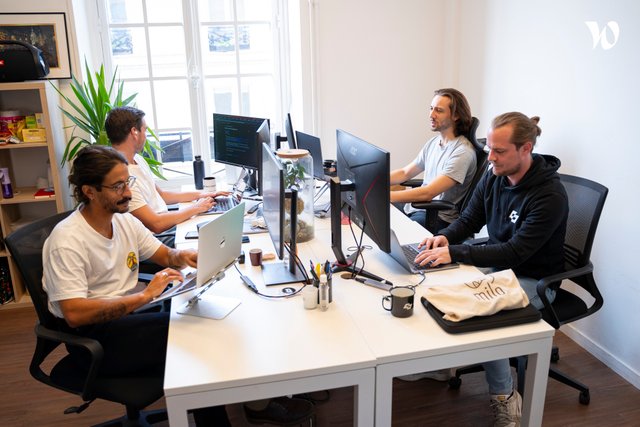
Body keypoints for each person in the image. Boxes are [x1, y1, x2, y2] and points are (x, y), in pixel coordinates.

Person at [42, 145, 312, 426]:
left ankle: (255, 401)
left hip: (126, 317)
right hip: (95, 340)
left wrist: (183, 256)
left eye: (128, 182)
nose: (128, 193)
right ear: (90, 191)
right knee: (196, 338)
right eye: (118, 186)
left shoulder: (122, 221)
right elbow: (75, 314)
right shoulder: (68, 241)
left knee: (204, 325)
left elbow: (163, 255)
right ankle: (248, 409)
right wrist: (145, 296)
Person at [414, 112, 568, 427]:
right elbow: (470, 218)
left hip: (534, 278)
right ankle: (441, 365)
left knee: (485, 318)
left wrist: (454, 252)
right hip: (498, 268)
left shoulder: (549, 195)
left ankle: (505, 399)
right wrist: (445, 237)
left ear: (525, 149)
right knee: (435, 285)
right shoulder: (495, 173)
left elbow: (515, 252)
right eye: (489, 149)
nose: (491, 158)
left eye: (499, 151)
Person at [105, 106, 229, 246]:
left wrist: (201, 195)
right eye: (145, 130)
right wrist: (196, 208)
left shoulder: (137, 160)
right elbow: (156, 224)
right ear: (134, 132)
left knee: (215, 228)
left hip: (166, 225)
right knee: (215, 240)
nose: (146, 136)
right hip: (156, 237)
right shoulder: (121, 178)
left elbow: (162, 195)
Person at [390, 88, 477, 233]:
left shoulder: (463, 152)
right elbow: (405, 173)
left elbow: (428, 193)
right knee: (377, 213)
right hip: (417, 208)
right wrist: (374, 181)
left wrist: (385, 196)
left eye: (439, 110)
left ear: (456, 115)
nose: (431, 115)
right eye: (431, 108)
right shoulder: (434, 143)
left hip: (438, 218)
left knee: (392, 228)